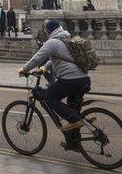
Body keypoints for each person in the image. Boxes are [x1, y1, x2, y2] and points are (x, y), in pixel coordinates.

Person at [17, 20, 91, 151]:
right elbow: (61, 57)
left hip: (70, 80)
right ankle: (74, 142)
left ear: (48, 31)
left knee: (50, 98)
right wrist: (45, 67)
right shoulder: (67, 40)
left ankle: (75, 120)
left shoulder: (52, 42)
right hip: (84, 79)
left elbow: (36, 58)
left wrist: (24, 70)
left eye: (45, 31)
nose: (45, 33)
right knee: (71, 109)